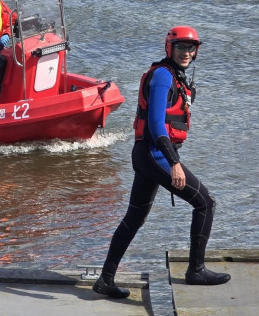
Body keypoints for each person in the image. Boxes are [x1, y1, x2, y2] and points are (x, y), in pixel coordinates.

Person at [93, 25, 231, 299]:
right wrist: (174, 162)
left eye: (191, 48)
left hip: (149, 155)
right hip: (154, 154)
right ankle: (196, 270)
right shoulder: (162, 76)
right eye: (180, 47)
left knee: (135, 217)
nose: (186, 53)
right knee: (205, 203)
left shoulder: (175, 76)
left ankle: (105, 280)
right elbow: (156, 124)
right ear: (169, 48)